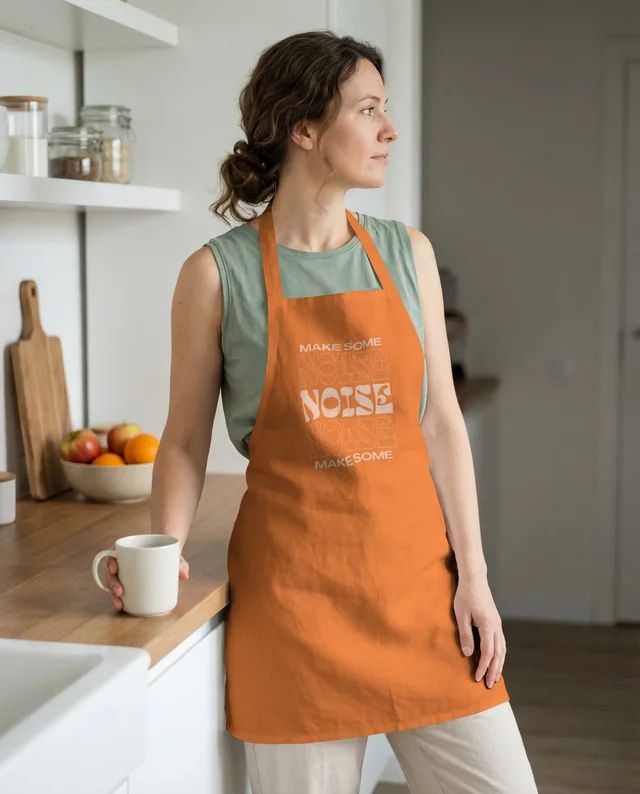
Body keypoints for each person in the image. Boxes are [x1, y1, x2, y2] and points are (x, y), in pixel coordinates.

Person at [103, 30, 538, 794]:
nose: (388, 130)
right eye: (367, 110)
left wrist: (476, 575)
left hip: (423, 600)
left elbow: (441, 425)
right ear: (304, 130)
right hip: (295, 611)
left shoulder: (409, 254)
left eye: (385, 110)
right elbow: (180, 441)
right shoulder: (214, 275)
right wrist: (162, 546)